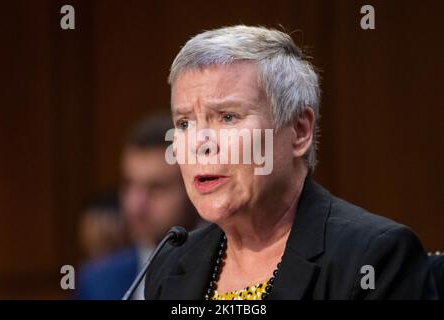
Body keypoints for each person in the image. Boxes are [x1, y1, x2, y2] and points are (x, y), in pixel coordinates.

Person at [144, 26, 438, 299]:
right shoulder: (171, 263)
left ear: (299, 131)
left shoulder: (373, 258)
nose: (199, 144)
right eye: (184, 123)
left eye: (228, 117)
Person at [77, 116, 201, 300]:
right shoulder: (97, 280)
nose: (136, 205)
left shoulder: (227, 274)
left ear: (193, 187)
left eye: (157, 187)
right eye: (129, 184)